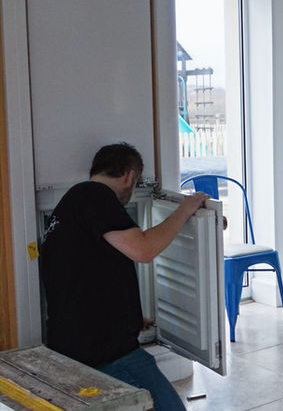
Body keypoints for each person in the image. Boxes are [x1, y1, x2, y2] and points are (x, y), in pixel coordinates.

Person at [39, 143, 209, 411]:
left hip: (77, 345)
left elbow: (84, 277)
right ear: (130, 175)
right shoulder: (96, 196)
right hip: (104, 353)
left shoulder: (70, 205)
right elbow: (143, 249)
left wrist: (128, 318)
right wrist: (184, 210)